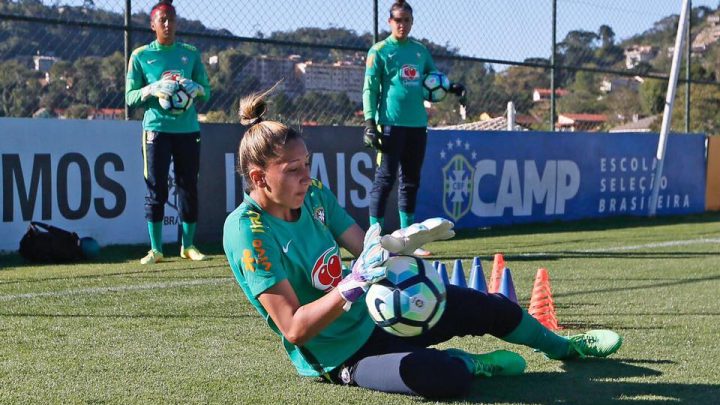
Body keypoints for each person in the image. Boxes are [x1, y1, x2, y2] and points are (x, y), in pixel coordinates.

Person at [223, 86, 623, 399]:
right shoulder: (247, 231)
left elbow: (365, 248)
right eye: (294, 170)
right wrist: (351, 285)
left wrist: (396, 243)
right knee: (443, 378)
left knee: (487, 306)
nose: (306, 176)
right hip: (339, 356)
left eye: (307, 164)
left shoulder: (313, 195)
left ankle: (565, 348)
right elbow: (294, 328)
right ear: (259, 178)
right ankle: (469, 363)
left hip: (379, 314)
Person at [362, 0, 466, 257]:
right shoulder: (380, 51)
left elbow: (434, 80)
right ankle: (374, 241)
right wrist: (369, 123)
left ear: (411, 22)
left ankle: (408, 241)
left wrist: (453, 88)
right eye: (398, 20)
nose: (402, 25)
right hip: (389, 125)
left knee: (410, 182)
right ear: (389, 22)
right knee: (385, 180)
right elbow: (370, 89)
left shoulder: (420, 51)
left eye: (407, 20)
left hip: (417, 125)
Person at [125, 0, 211, 264]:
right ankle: (156, 249)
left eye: (171, 19)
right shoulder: (140, 56)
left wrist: (195, 89)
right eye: (162, 20)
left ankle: (188, 246)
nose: (167, 24)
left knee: (188, 186)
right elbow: (130, 97)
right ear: (153, 25)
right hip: (156, 130)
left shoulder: (190, 54)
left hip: (187, 130)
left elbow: (206, 93)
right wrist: (151, 89)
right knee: (156, 188)